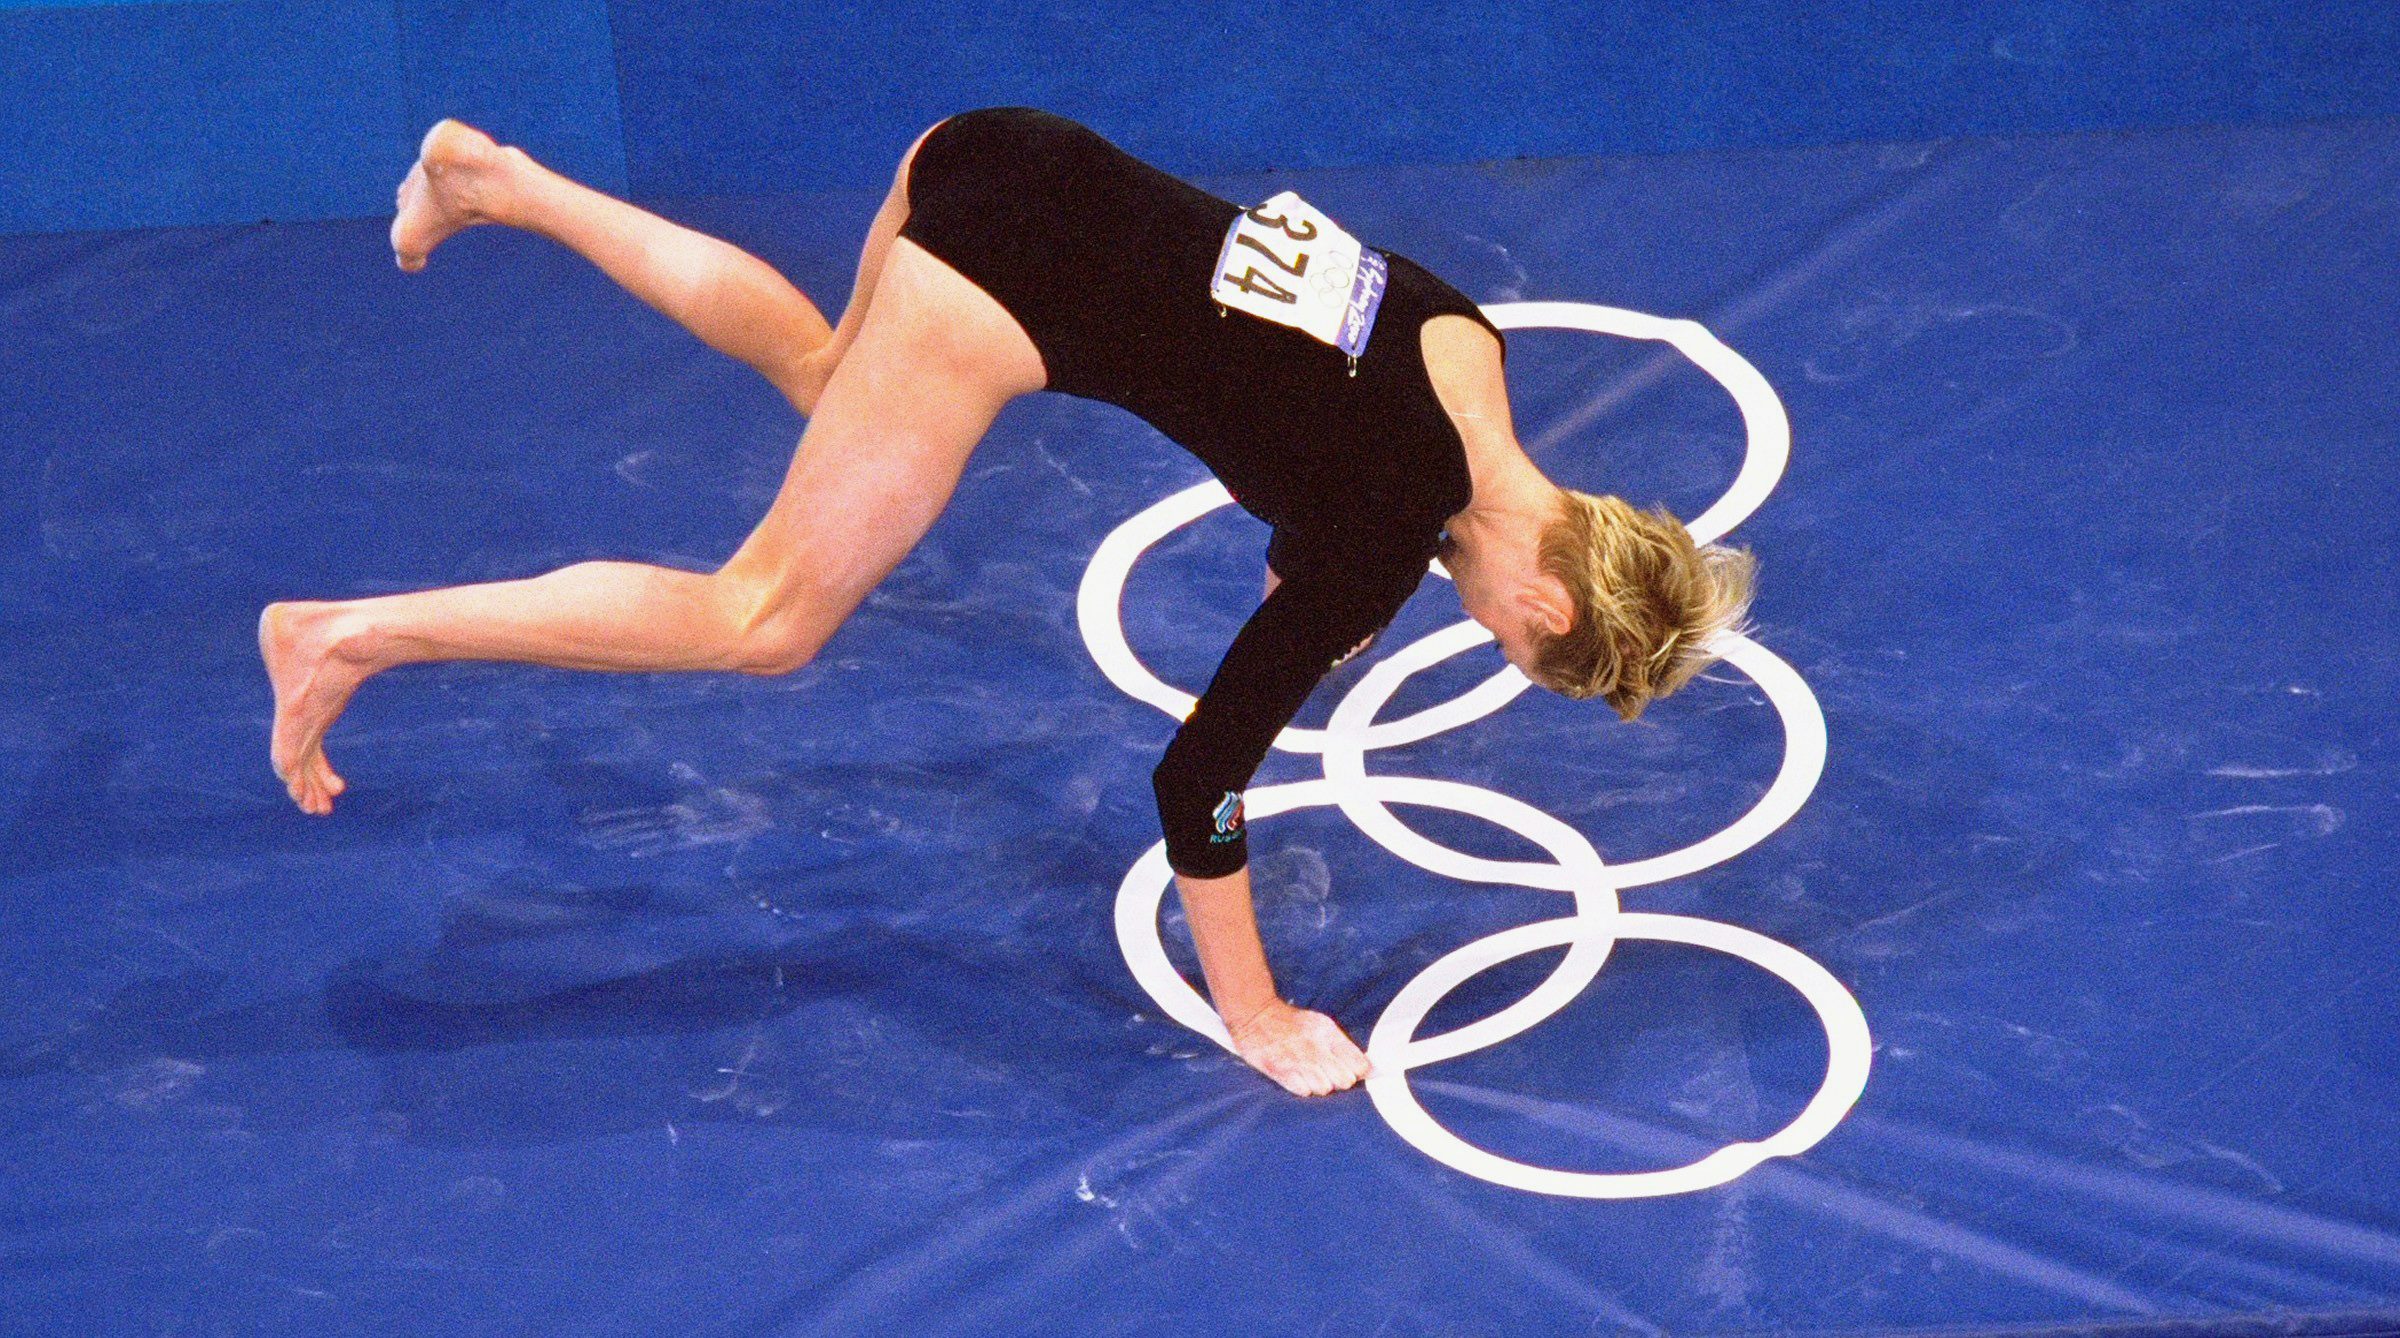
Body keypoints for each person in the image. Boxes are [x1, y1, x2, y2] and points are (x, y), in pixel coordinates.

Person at [259, 107, 1755, 1099]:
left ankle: (493, 178)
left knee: (819, 375)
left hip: (1003, 151)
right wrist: (1257, 1011)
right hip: (999, 288)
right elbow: (1203, 779)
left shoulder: (1471, 349)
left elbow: (1306, 392)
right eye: (1508, 637)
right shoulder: (1379, 537)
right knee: (763, 616)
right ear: (1554, 604)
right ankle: (347, 632)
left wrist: (1330, 563)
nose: (1483, 632)